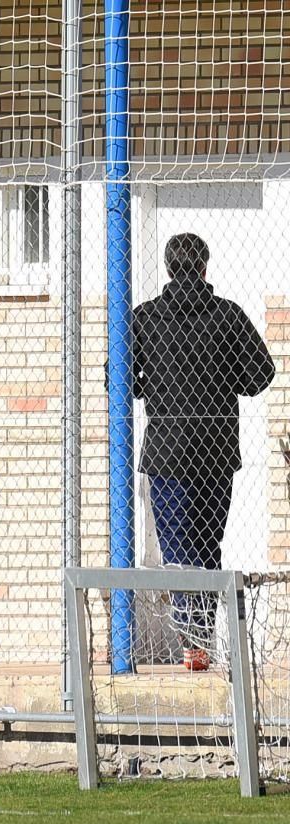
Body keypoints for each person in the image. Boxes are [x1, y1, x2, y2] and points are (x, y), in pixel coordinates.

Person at [132, 233, 274, 671]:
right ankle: (200, 639)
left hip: (167, 454)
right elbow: (260, 375)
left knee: (177, 551)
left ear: (170, 268)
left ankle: (191, 638)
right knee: (208, 546)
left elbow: (116, 377)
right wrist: (221, 375)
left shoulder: (146, 318)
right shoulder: (227, 316)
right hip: (215, 453)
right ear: (205, 268)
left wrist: (148, 386)